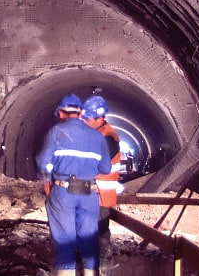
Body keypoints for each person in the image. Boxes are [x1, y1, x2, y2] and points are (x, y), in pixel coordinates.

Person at [37, 94, 111, 276]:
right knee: (89, 241)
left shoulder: (56, 132)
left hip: (63, 192)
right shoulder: (97, 136)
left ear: (61, 113)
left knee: (65, 241)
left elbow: (42, 163)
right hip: (88, 192)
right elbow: (106, 168)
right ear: (80, 114)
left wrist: (49, 176)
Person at [81, 94, 124, 267]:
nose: (84, 121)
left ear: (100, 118)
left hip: (100, 195)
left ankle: (104, 268)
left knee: (100, 235)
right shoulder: (96, 134)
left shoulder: (107, 138)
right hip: (92, 193)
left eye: (88, 119)